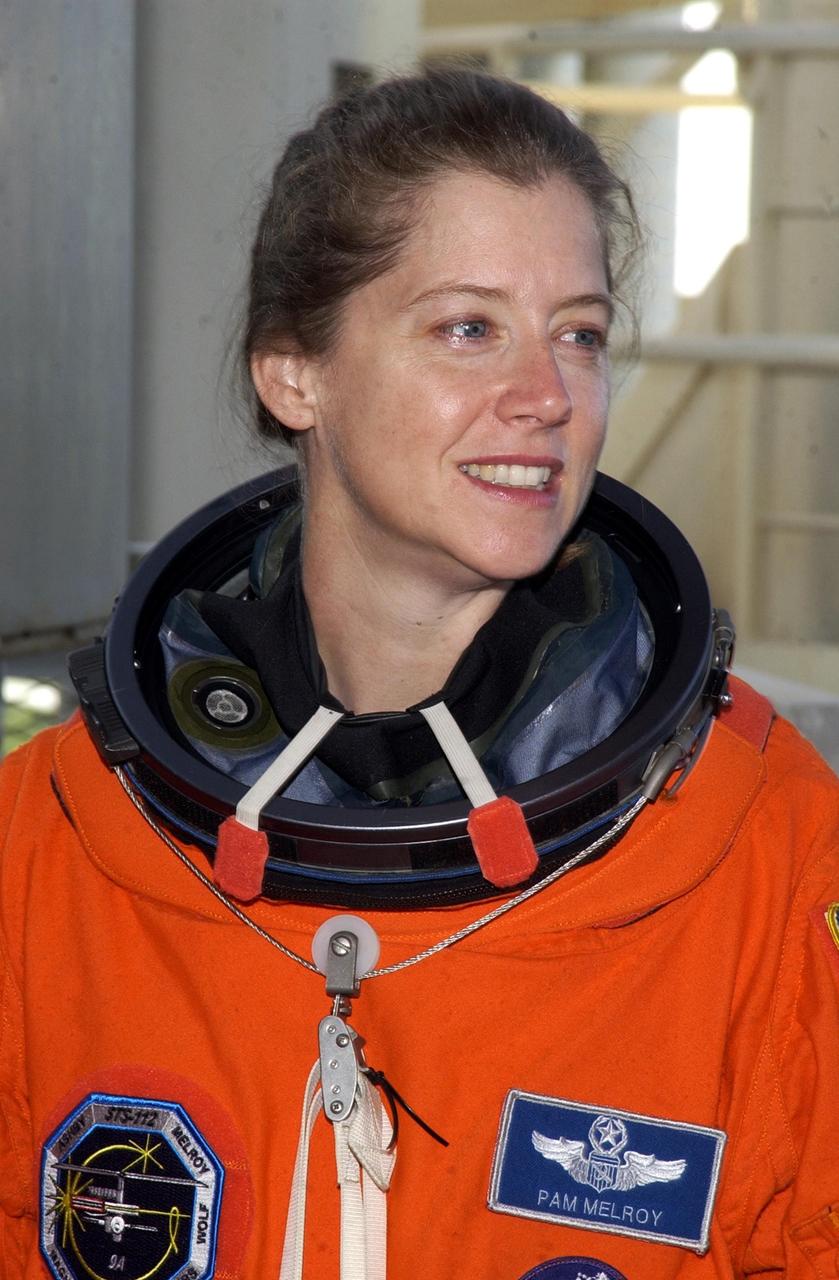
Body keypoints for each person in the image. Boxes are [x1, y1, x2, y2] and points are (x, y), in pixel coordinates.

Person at [2, 68, 838, 1280]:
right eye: (467, 328)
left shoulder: (770, 851)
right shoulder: (49, 847)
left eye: (578, 333)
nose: (545, 397)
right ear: (294, 372)